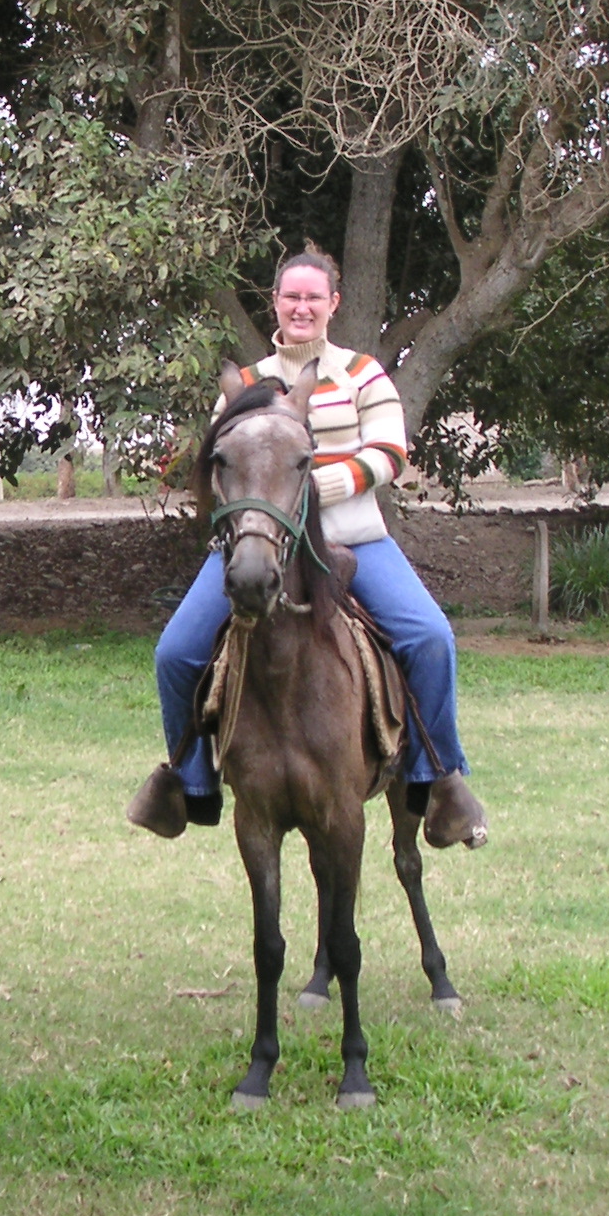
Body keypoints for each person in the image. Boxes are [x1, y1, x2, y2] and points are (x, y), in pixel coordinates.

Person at [127, 244, 489, 849]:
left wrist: (311, 488)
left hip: (353, 538)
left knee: (430, 637)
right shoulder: (243, 384)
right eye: (291, 296)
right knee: (175, 652)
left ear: (333, 305)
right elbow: (217, 464)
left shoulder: (363, 373)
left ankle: (439, 779)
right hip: (257, 542)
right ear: (275, 302)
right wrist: (255, 509)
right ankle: (190, 783)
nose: (301, 307)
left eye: (313, 298)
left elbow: (389, 453)